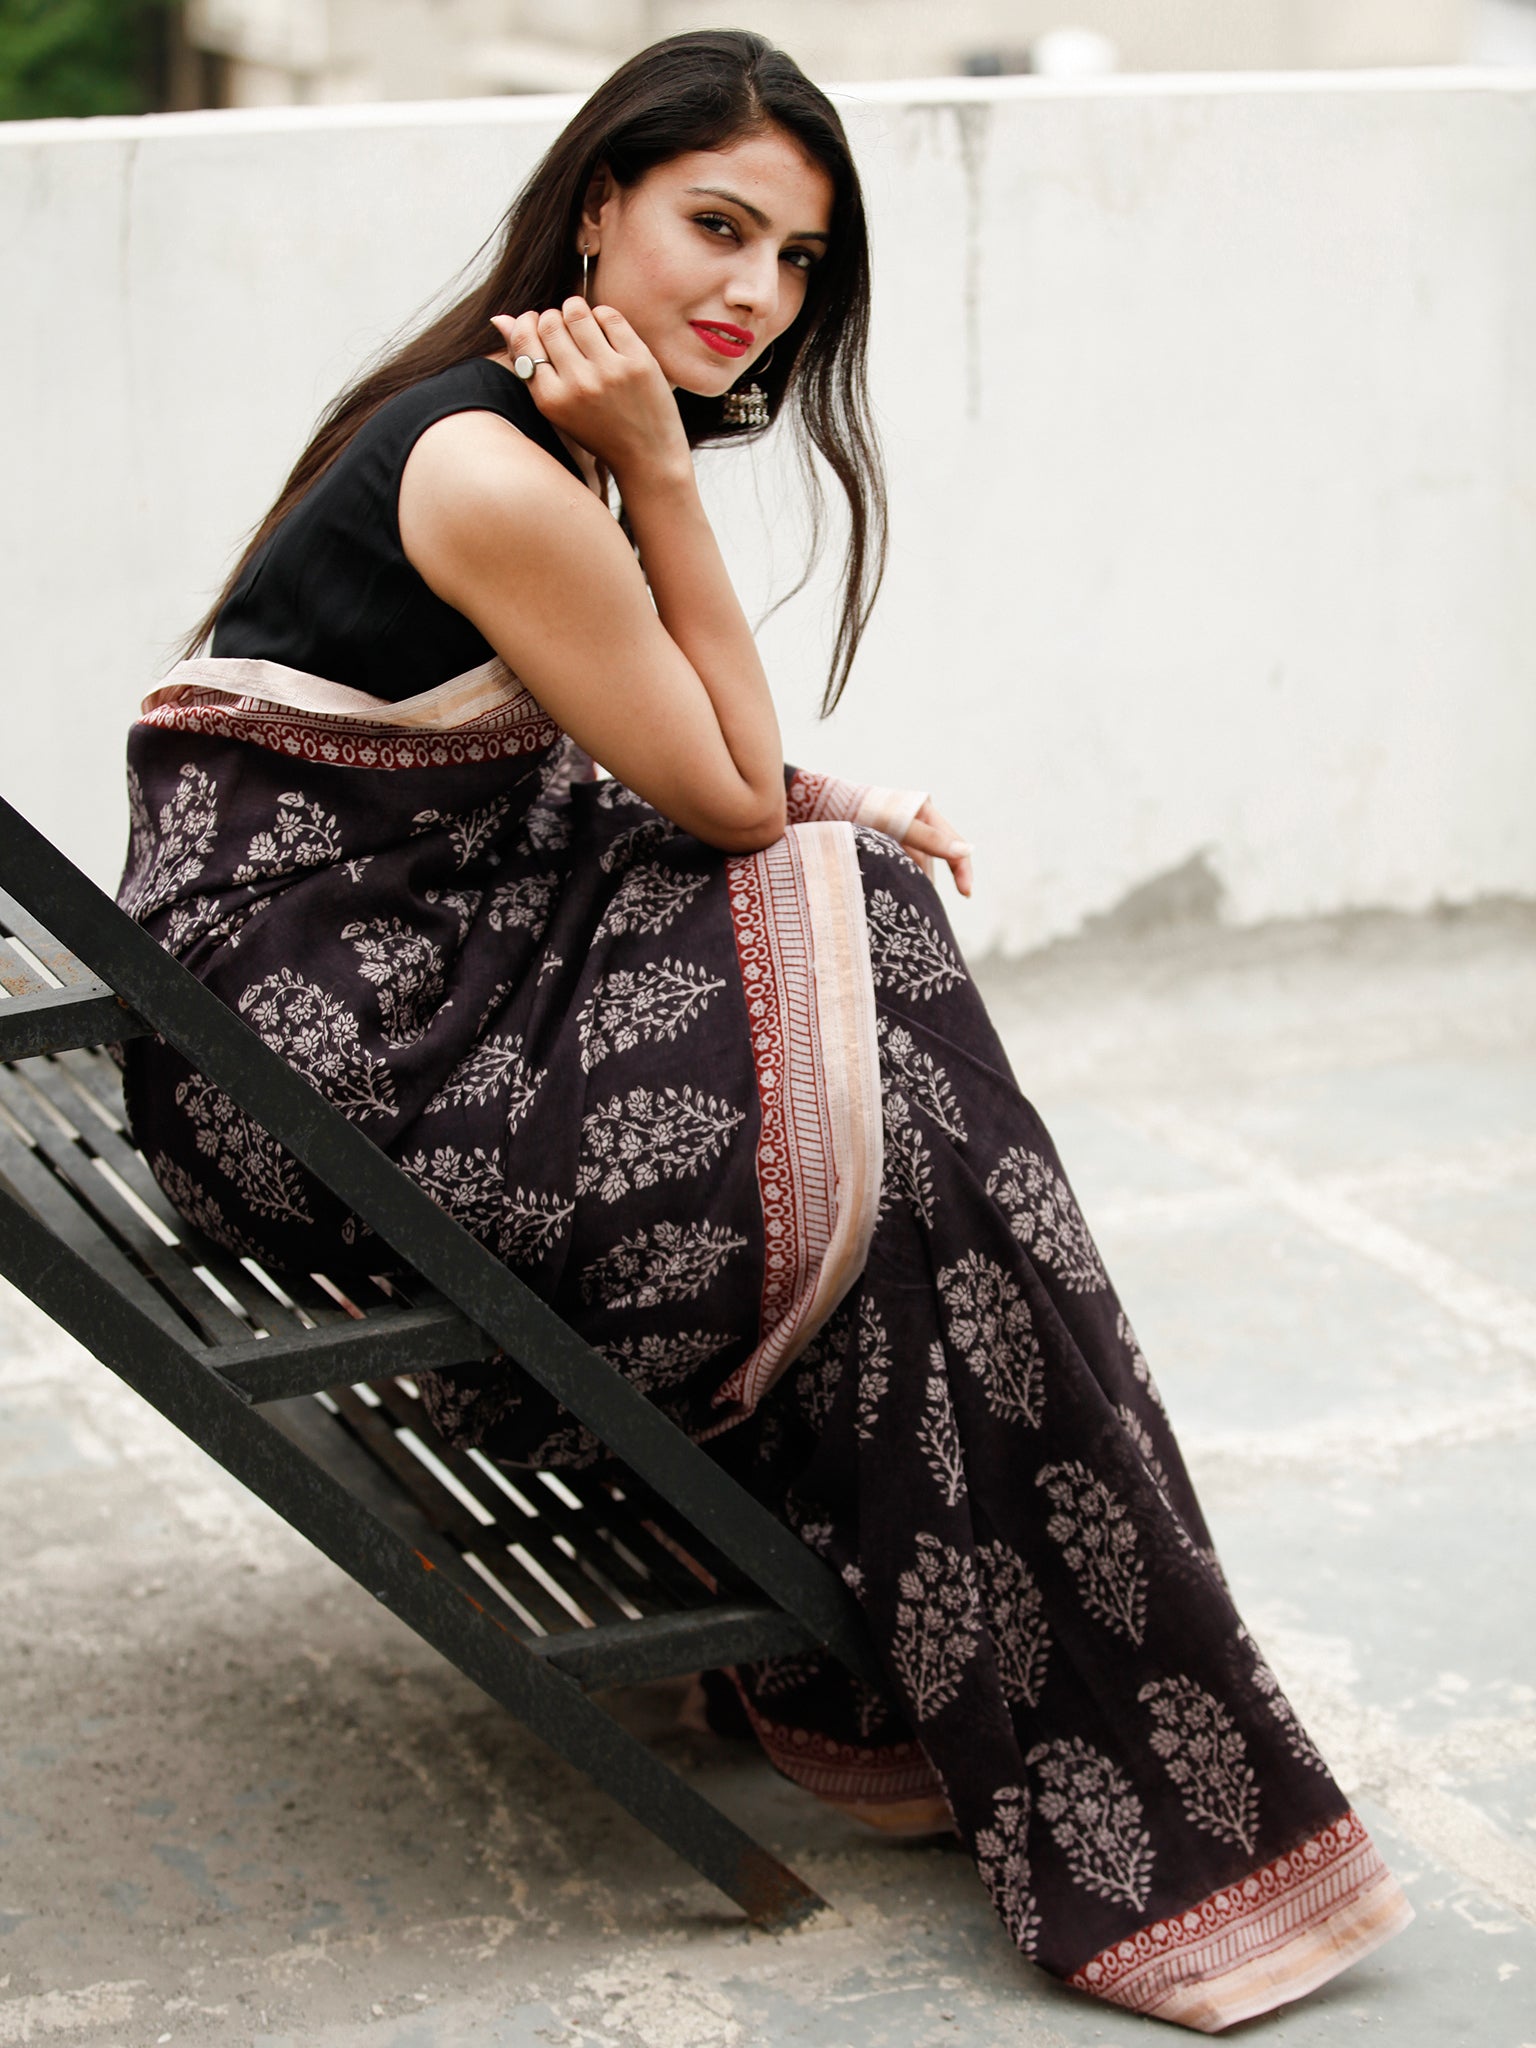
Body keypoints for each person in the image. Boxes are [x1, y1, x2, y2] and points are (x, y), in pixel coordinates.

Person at [115, 28, 1410, 2031]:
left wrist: (829, 803)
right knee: (866, 1015)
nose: (757, 294)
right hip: (319, 1050)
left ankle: (909, 1668)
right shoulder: (500, 462)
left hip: (400, 969)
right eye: (718, 227)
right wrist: (662, 482)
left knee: (883, 1063)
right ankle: (1038, 1699)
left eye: (798, 260)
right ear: (598, 209)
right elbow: (721, 795)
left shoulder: (507, 426)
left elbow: (661, 757)